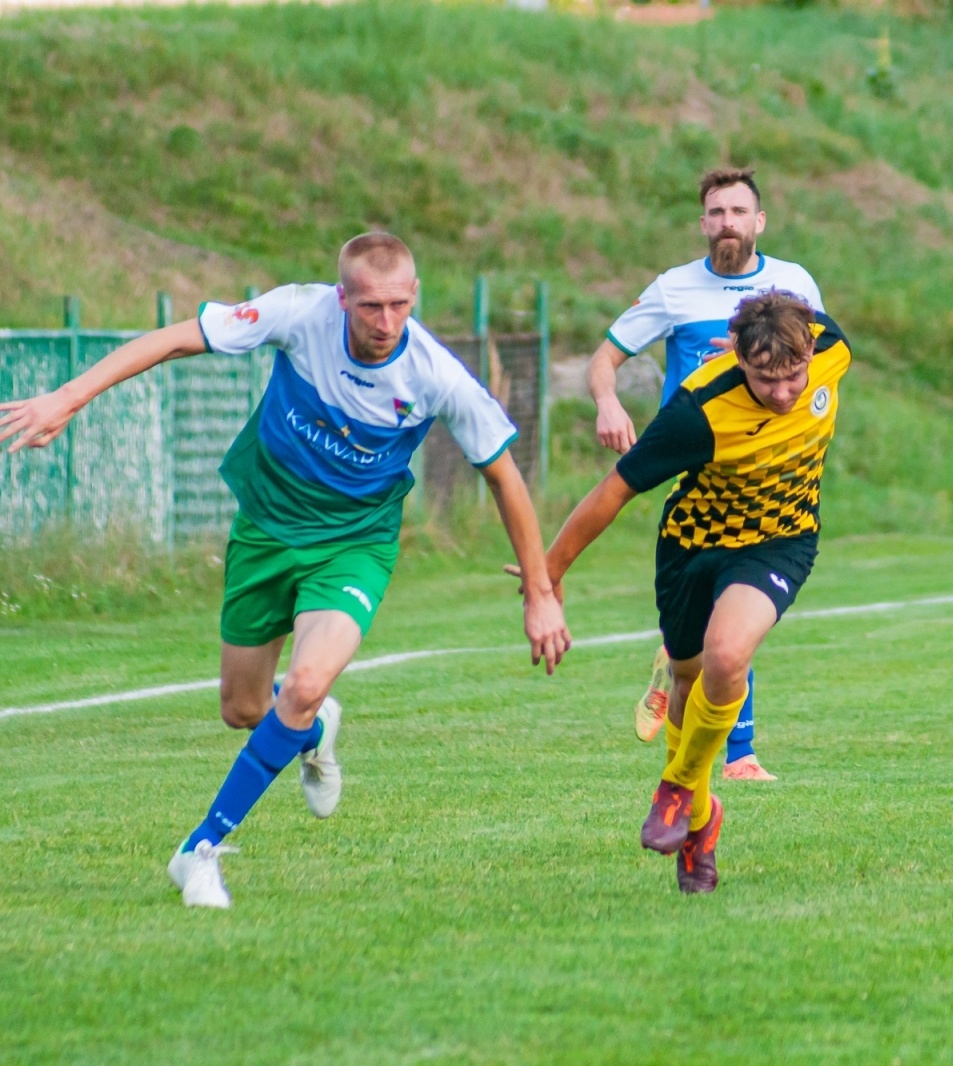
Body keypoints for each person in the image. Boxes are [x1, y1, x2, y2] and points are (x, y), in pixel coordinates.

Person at [0, 232, 571, 909]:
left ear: (414, 297)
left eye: (397, 305)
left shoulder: (437, 376)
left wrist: (540, 593)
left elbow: (505, 477)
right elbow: (178, 337)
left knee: (302, 681)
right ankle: (314, 725)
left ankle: (201, 850)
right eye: (369, 307)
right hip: (266, 529)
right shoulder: (301, 315)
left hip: (354, 545)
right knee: (245, 709)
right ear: (342, 299)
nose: (385, 322)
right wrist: (70, 396)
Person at [532, 291, 851, 893]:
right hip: (692, 548)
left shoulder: (830, 346)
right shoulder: (697, 411)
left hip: (779, 543)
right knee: (685, 681)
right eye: (764, 380)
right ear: (738, 358)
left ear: (811, 350)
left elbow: (800, 321)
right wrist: (549, 575)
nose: (784, 394)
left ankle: (677, 786)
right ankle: (701, 826)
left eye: (793, 378)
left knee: (728, 656)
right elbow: (614, 491)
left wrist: (762, 341)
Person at [586, 166, 824, 782]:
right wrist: (608, 402)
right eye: (717, 213)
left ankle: (727, 739)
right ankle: (718, 730)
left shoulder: (793, 284)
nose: (728, 224)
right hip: (695, 464)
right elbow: (605, 357)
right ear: (703, 223)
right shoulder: (674, 289)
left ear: (759, 221)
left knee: (737, 607)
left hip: (768, 459)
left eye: (738, 212)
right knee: (730, 600)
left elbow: (817, 357)